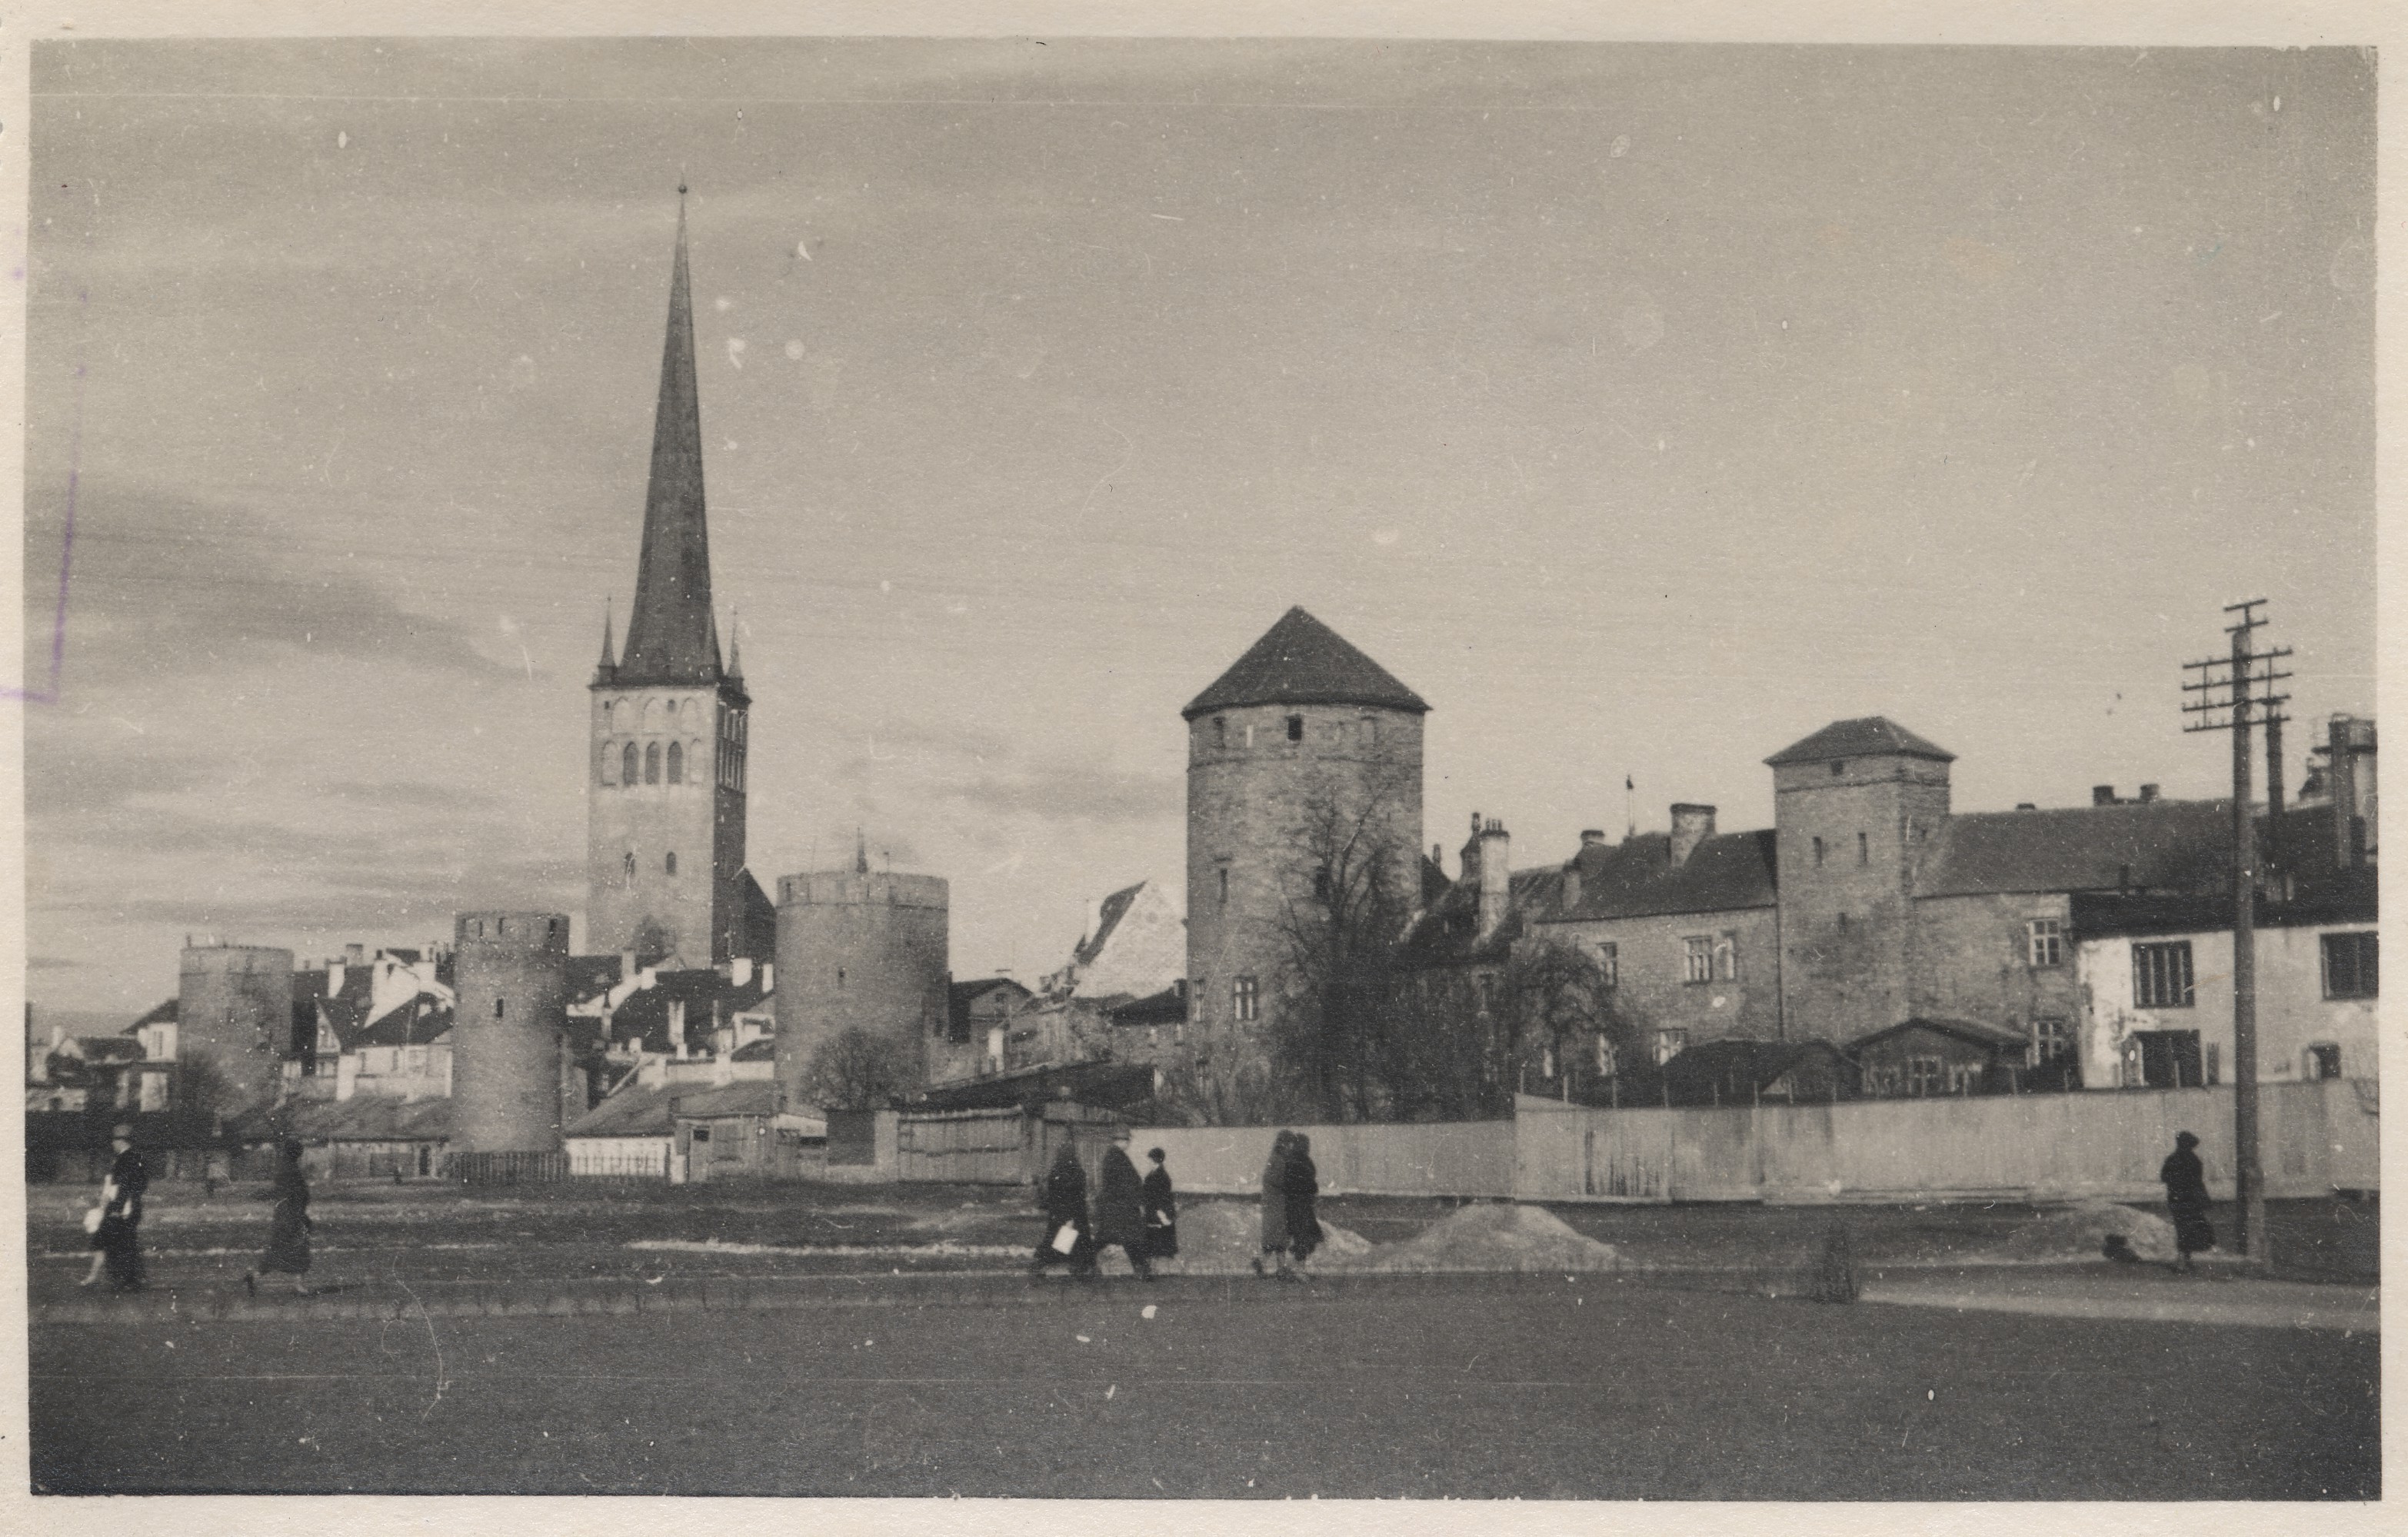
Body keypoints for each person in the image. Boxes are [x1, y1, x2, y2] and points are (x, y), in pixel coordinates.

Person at [83, 1123, 148, 1292]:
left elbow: (124, 1187)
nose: (112, 1143)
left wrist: (117, 1208)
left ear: (122, 1141)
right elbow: (139, 1185)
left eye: (114, 1140)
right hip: (127, 1207)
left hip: (124, 1208)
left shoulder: (126, 1159)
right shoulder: (134, 1157)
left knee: (120, 1242)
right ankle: (129, 1279)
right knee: (123, 1242)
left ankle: (127, 1280)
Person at [245, 1139, 315, 1296]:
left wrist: (261, 1194)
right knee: (300, 1247)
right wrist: (301, 1216)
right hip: (292, 1214)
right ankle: (299, 1286)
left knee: (278, 1250)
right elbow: (288, 1192)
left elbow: (281, 1191)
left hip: (286, 1214)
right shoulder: (290, 1170)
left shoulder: (285, 1167)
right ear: (296, 1153)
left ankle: (254, 1277)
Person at [1091, 1127, 1154, 1280]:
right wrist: (1138, 1200)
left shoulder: (1115, 1156)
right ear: (1120, 1141)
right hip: (1120, 1206)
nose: (1128, 1143)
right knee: (1128, 1238)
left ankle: (1084, 1263)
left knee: (1114, 1238)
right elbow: (1127, 1183)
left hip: (1116, 1206)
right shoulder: (1116, 1157)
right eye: (1127, 1140)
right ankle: (1141, 1268)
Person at [1031, 1140, 1096, 1280]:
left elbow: (1055, 1195)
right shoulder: (1074, 1172)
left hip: (1059, 1214)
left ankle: (1042, 1262)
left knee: (1059, 1240)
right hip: (1074, 1214)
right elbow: (1073, 1196)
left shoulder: (1056, 1171)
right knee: (1069, 1242)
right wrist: (1070, 1218)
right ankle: (1081, 1266)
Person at [2160, 1129, 2215, 1275]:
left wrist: (2176, 1185)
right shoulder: (2194, 1161)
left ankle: (2184, 1260)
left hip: (2176, 1199)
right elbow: (2198, 1182)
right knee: (2190, 1228)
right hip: (2191, 1200)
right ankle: (2183, 1262)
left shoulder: (2171, 1159)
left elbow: (2164, 1177)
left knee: (2182, 1228)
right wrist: (2205, 1199)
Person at [1254, 1129, 1294, 1278]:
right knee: (1278, 1237)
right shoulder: (1279, 1160)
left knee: (1276, 1237)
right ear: (1284, 1143)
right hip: (1278, 1204)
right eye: (1289, 1143)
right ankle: (1269, 1265)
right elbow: (1279, 1181)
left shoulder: (1276, 1158)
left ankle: (1272, 1266)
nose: (1291, 1147)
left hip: (1275, 1204)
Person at [1285, 1132, 1324, 1276]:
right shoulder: (1304, 1161)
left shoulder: (1290, 1161)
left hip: (1294, 1205)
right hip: (1302, 1205)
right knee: (1304, 1238)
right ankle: (1298, 1269)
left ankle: (1293, 1266)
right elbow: (1309, 1182)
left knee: (1301, 1237)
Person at [1141, 1146, 1178, 1268]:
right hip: (1152, 1209)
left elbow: (1162, 1196)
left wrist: (1161, 1212)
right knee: (1154, 1236)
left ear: (1155, 1160)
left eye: (1151, 1159)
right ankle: (1153, 1263)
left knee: (1157, 1237)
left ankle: (1156, 1265)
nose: (1149, 1162)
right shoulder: (1154, 1173)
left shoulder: (1161, 1176)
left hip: (1158, 1209)